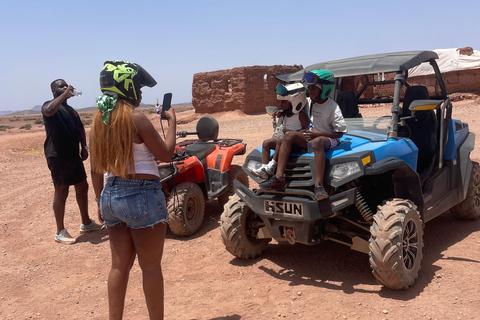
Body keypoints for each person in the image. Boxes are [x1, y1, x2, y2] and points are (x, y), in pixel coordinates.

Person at [90, 60, 177, 319]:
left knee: (119, 267)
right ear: (125, 87)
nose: (140, 93)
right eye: (138, 87)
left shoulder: (98, 121)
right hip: (142, 195)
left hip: (111, 195)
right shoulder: (137, 118)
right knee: (150, 269)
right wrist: (172, 121)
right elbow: (166, 154)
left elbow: (96, 168)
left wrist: (98, 200)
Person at [260, 69, 347, 200]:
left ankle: (319, 186)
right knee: (287, 136)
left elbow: (340, 133)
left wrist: (318, 134)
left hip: (329, 138)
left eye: (313, 88)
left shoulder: (332, 107)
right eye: (309, 88)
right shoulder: (309, 102)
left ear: (324, 89)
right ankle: (277, 178)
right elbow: (293, 106)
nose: (309, 91)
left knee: (317, 142)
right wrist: (281, 113)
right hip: (311, 136)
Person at [42, 79, 102, 245]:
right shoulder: (49, 105)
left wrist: (83, 147)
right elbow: (48, 111)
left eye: (66, 85)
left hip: (73, 155)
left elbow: (80, 128)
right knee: (62, 191)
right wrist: (64, 94)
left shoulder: (72, 110)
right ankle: (59, 231)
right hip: (58, 156)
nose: (66, 87)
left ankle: (86, 223)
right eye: (61, 86)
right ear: (54, 91)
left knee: (82, 186)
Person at [251, 82, 309, 179]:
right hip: (283, 142)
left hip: (295, 144)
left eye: (284, 102)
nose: (281, 104)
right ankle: (264, 169)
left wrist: (292, 133)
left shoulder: (300, 115)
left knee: (282, 138)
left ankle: (273, 164)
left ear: (294, 102)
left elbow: (306, 129)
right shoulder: (284, 114)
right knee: (266, 143)